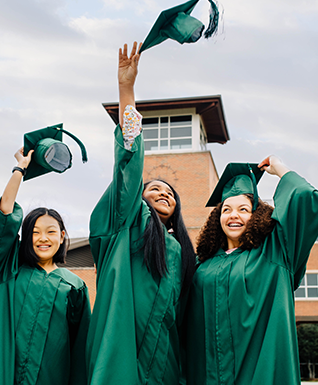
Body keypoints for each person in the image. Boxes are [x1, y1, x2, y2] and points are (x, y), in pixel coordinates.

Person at [86, 42, 196, 384]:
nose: (163, 192)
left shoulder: (180, 248)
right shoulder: (128, 223)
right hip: (123, 342)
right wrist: (126, 89)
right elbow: (128, 168)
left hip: (164, 352)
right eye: (154, 189)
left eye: (169, 192)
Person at [185, 157, 318, 384]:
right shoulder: (201, 264)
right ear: (217, 218)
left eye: (244, 209)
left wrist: (279, 168)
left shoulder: (276, 252)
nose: (233, 215)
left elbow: (306, 197)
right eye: (226, 210)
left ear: (257, 215)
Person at [0, 147, 91, 385]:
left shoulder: (74, 287)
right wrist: (19, 170)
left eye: (50, 232)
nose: (43, 238)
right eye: (34, 232)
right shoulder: (7, 270)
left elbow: (80, 349)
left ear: (62, 235)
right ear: (25, 237)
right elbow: (4, 216)